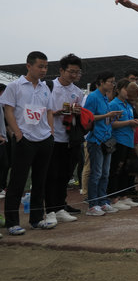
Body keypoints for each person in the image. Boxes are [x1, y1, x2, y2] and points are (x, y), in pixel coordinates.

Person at [1, 52, 56, 235]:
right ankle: (12, 222)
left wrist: (50, 132)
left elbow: (49, 111)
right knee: (18, 181)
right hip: (24, 139)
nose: (43, 70)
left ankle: (36, 219)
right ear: (29, 66)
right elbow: (8, 111)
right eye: (40, 66)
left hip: (44, 139)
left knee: (40, 181)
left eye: (46, 66)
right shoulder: (15, 87)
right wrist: (17, 133)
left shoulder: (45, 88)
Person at [44, 53, 85, 224]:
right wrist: (56, 113)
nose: (74, 76)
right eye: (71, 72)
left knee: (65, 174)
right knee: (51, 174)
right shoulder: (48, 87)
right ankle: (49, 210)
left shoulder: (77, 92)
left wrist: (77, 112)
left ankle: (60, 207)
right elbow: (41, 111)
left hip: (70, 138)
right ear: (61, 70)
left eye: (77, 73)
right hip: (52, 137)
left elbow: (81, 114)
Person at [84, 72, 123, 216]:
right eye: (110, 82)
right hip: (96, 140)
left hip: (107, 140)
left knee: (105, 173)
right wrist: (107, 115)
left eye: (114, 82)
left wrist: (113, 116)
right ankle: (92, 204)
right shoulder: (93, 97)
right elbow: (87, 117)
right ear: (101, 82)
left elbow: (106, 120)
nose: (113, 85)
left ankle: (102, 201)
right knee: (96, 173)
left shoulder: (106, 97)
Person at [107, 79, 138, 211]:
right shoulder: (113, 104)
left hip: (128, 140)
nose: (128, 93)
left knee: (125, 170)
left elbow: (129, 122)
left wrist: (135, 123)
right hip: (118, 140)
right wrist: (129, 122)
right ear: (118, 89)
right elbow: (111, 124)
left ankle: (123, 195)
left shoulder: (128, 105)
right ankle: (113, 197)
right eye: (126, 89)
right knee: (116, 169)